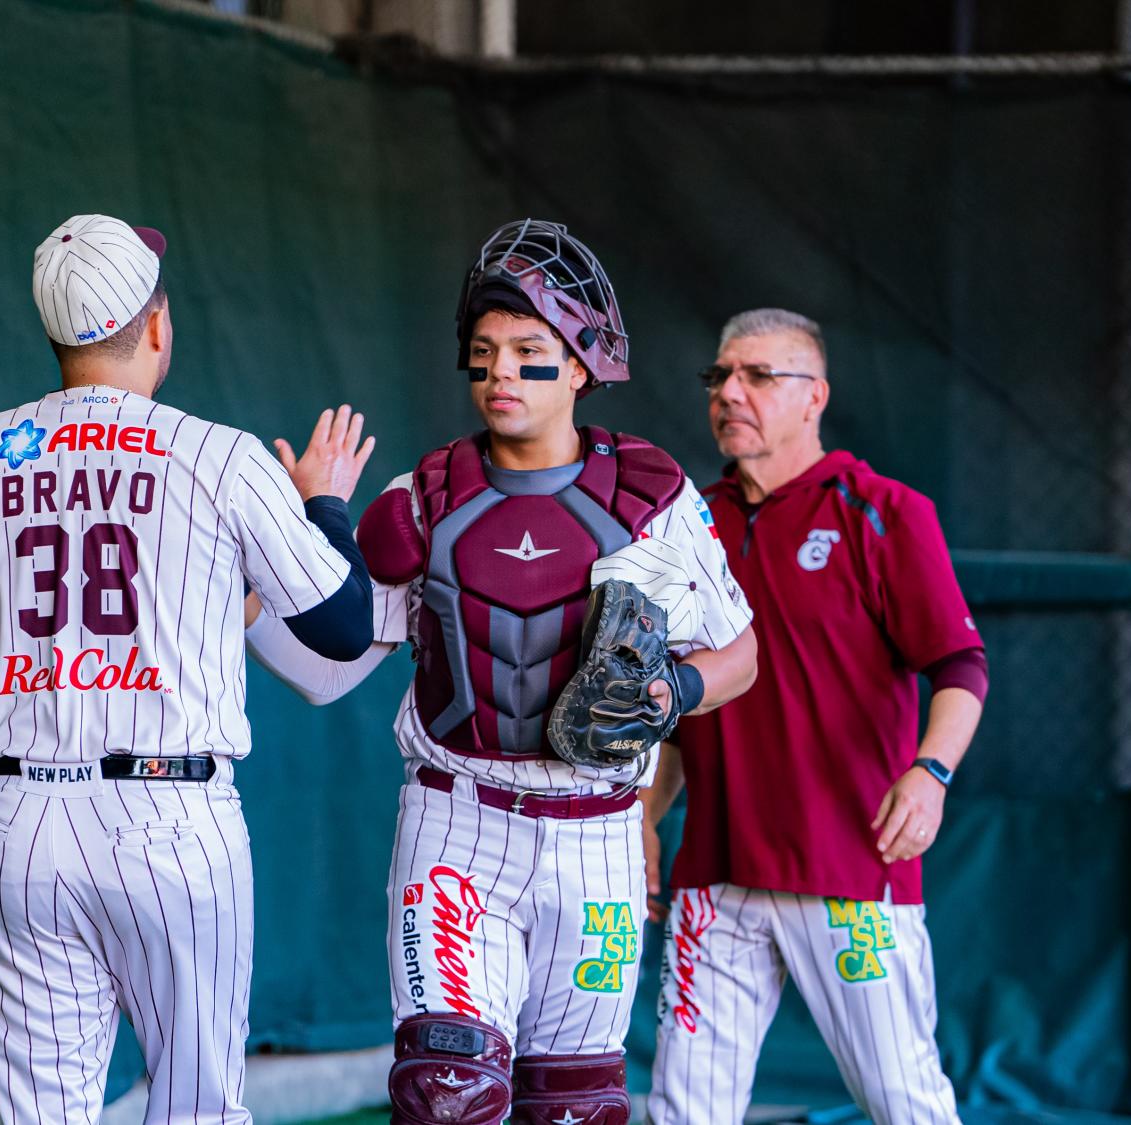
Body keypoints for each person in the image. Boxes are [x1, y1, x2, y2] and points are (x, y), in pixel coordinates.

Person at [0, 214, 378, 1125]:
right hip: (174, 821)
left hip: (17, 827)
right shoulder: (221, 456)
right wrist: (323, 507)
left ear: (54, 333)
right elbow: (343, 627)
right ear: (157, 326)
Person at [244, 219, 758, 1124]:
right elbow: (324, 670)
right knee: (447, 1095)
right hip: (457, 823)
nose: (501, 374)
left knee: (574, 1107)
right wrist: (272, 554)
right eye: (484, 353)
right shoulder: (423, 497)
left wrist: (675, 689)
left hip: (596, 832)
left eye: (529, 351)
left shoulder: (652, 495)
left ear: (584, 364)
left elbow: (742, 655)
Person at [643, 309, 988, 1125]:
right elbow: (682, 694)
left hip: (851, 878)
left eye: (758, 376)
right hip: (714, 876)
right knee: (683, 1112)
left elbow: (960, 665)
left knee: (905, 1102)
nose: (731, 392)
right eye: (721, 377)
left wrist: (931, 772)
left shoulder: (883, 511)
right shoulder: (689, 523)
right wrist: (646, 818)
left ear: (814, 396)